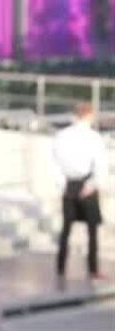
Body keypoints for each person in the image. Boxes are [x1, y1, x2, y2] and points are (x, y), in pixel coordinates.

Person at [53, 102, 107, 285]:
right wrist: (93, 184)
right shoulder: (94, 138)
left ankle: (60, 268)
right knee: (92, 231)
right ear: (89, 115)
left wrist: (62, 185)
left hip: (69, 184)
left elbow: (55, 163)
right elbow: (100, 164)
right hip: (86, 183)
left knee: (66, 229)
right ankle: (93, 270)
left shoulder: (62, 136)